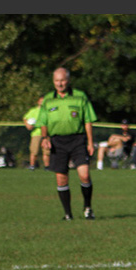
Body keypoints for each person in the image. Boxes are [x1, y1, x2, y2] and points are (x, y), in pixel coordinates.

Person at [37, 67, 98, 221]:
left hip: (78, 140)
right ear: (53, 81)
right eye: (57, 80)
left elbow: (88, 120)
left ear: (68, 80)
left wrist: (90, 142)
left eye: (63, 80)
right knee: (61, 179)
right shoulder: (48, 99)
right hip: (57, 142)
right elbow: (43, 122)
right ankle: (68, 214)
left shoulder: (80, 96)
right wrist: (45, 138)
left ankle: (87, 207)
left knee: (84, 175)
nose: (60, 83)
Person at [24, 96, 50, 170]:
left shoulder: (48, 111)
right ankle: (32, 165)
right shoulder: (33, 110)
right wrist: (28, 125)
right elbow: (25, 118)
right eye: (41, 101)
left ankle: (47, 166)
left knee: (46, 151)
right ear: (38, 102)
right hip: (36, 133)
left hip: (47, 133)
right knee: (34, 151)